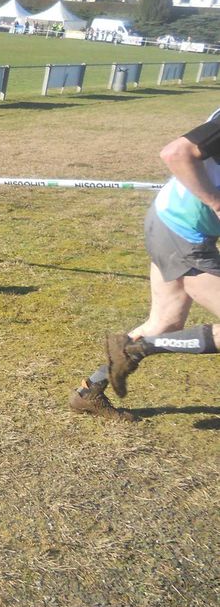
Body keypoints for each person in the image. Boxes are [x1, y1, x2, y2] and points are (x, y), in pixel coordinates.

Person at [70, 109, 220, 422]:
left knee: (165, 323)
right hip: (183, 231)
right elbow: (176, 153)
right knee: (159, 331)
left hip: (171, 222)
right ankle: (138, 348)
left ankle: (90, 391)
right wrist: (216, 203)